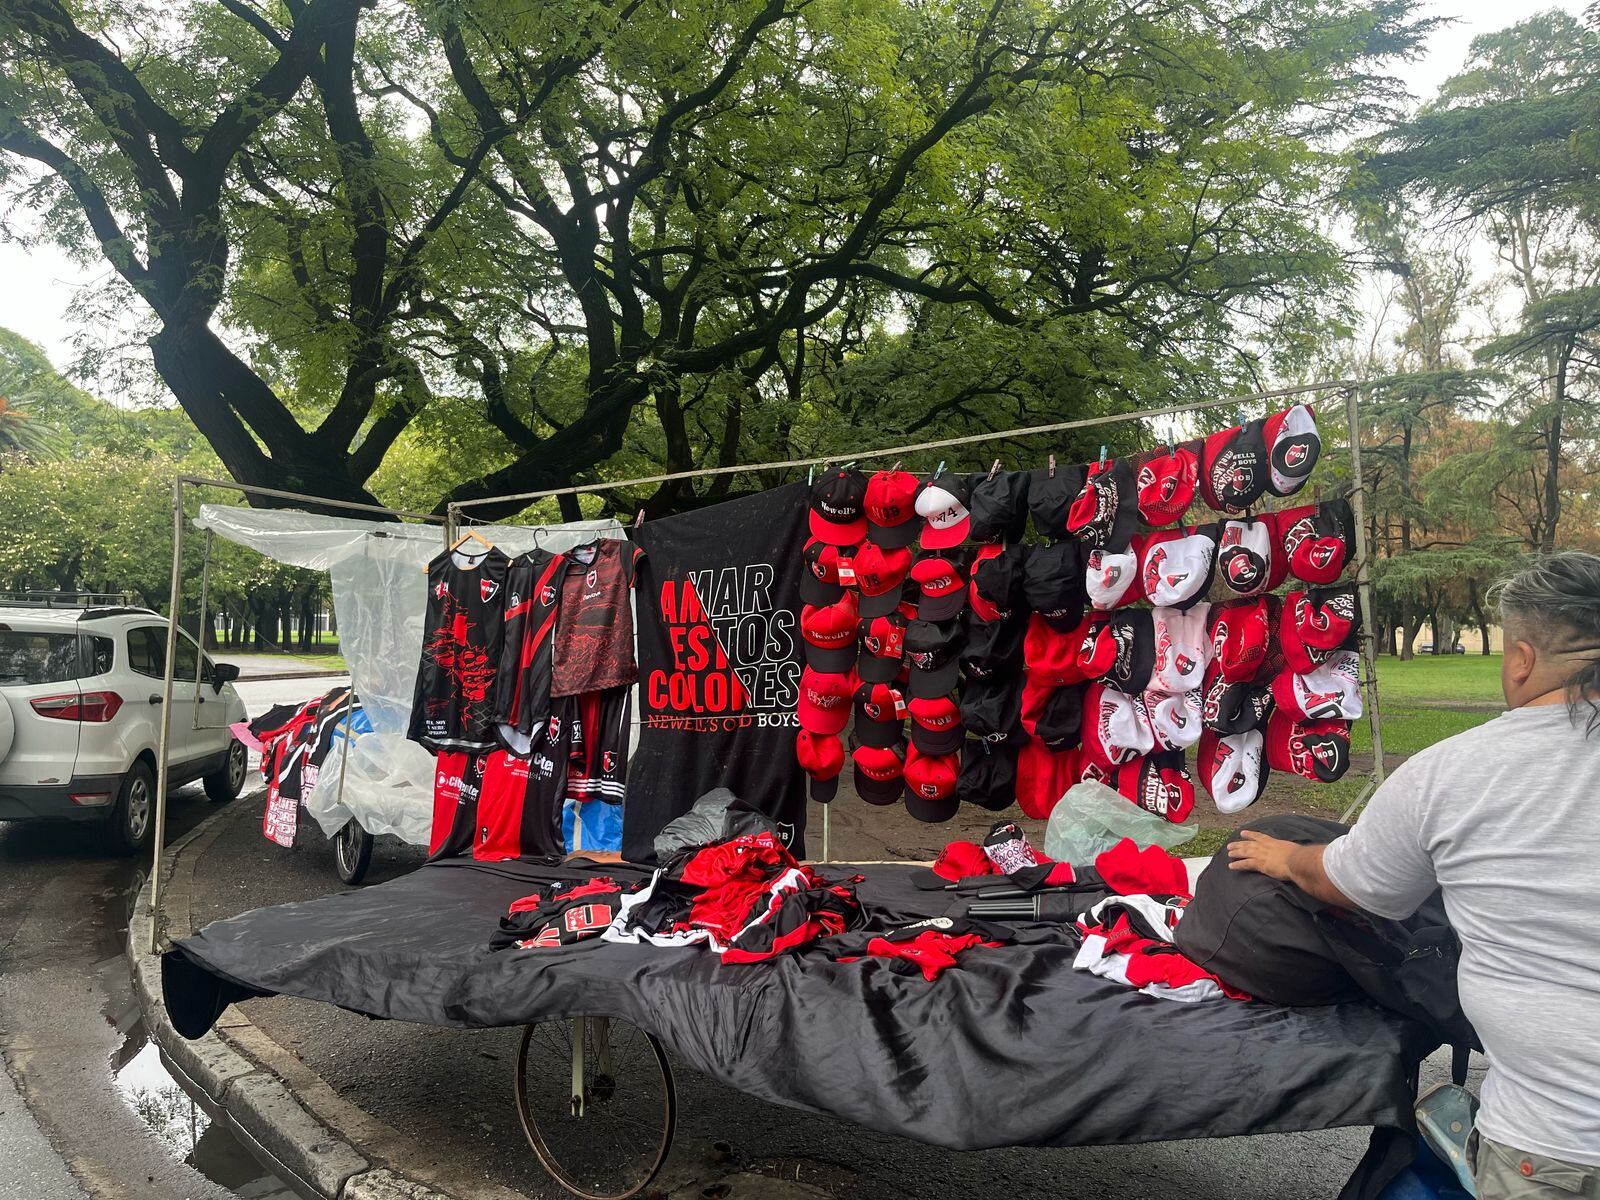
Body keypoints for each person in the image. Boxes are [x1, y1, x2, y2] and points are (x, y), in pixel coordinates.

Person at [1228, 552, 1600, 1198]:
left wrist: (1284, 857)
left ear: (1520, 660)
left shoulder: (1453, 775)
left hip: (1550, 1152)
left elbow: (1346, 881)